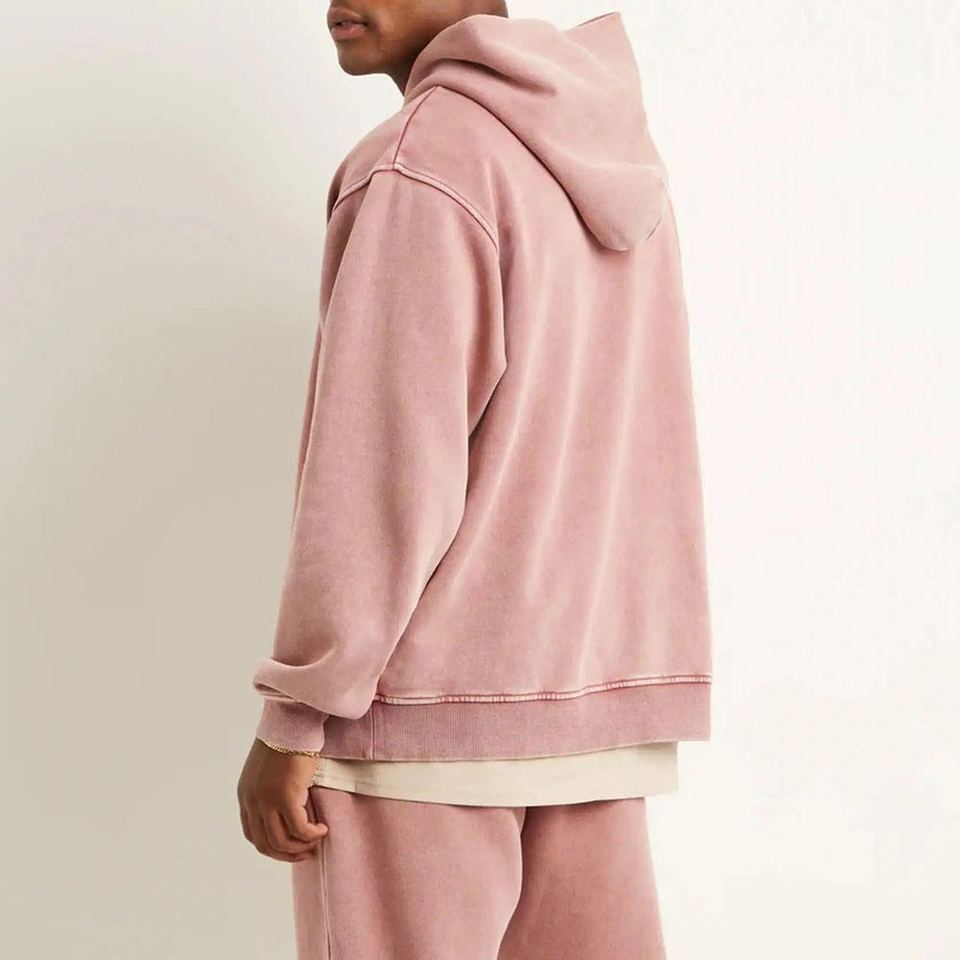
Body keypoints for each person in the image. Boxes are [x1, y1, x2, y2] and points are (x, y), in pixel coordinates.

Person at [236, 3, 712, 957]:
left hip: (421, 724)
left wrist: (296, 713)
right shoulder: (609, 156)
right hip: (587, 701)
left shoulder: (421, 164)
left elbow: (382, 471)